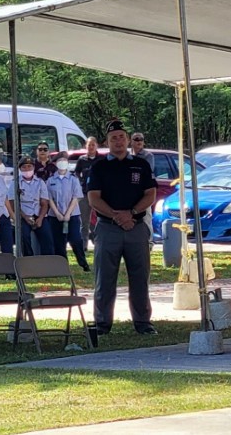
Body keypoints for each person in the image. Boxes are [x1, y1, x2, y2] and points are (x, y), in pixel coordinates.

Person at [87, 118, 158, 336]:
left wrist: (131, 213)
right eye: (113, 138)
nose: (118, 141)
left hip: (136, 226)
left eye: (121, 137)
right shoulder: (99, 167)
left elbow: (150, 194)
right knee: (104, 278)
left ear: (128, 140)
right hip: (108, 228)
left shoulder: (141, 165)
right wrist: (117, 216)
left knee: (140, 276)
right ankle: (102, 323)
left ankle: (143, 322)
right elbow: (93, 198)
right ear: (106, 142)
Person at [46, 156, 89, 271]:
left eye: (64, 161)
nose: (62, 163)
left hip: (72, 214)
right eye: (60, 161)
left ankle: (83, 263)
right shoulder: (50, 180)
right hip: (55, 216)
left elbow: (76, 197)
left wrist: (68, 213)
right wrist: (57, 213)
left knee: (75, 239)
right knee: (59, 242)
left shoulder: (73, 179)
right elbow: (49, 199)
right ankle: (62, 266)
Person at [15, 157, 52, 255]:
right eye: (24, 167)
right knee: (24, 237)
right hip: (24, 215)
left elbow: (44, 203)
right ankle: (28, 259)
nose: (27, 169)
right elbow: (12, 203)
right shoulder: (15, 183)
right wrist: (25, 217)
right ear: (20, 169)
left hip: (39, 214)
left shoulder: (40, 182)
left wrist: (40, 218)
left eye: (29, 166)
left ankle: (48, 259)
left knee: (47, 238)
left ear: (33, 168)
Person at [75, 136, 101, 243]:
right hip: (85, 193)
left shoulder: (101, 159)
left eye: (93, 145)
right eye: (89, 145)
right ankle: (84, 245)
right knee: (84, 221)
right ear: (86, 146)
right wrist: (81, 181)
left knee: (100, 220)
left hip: (99, 194)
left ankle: (98, 242)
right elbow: (76, 172)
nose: (91, 147)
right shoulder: (82, 159)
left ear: (96, 146)